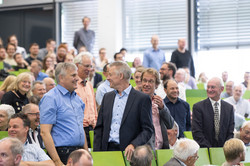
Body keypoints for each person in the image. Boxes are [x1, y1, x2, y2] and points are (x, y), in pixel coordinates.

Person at [94, 61, 154, 161]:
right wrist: (97, 154)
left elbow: (147, 130)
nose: (107, 78)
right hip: (106, 151)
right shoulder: (107, 97)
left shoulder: (142, 99)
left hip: (129, 153)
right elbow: (99, 128)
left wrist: (133, 144)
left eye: (110, 74)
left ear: (121, 76)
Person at [40, 63, 87, 165]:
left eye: (77, 75)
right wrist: (57, 162)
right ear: (61, 78)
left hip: (79, 152)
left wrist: (86, 153)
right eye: (73, 75)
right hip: (62, 154)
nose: (77, 79)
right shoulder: (50, 98)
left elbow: (81, 127)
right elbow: (44, 132)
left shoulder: (77, 99)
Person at [192, 77, 234, 147]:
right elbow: (197, 132)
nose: (209, 90)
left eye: (213, 87)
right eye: (208, 87)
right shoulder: (198, 107)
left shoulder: (229, 108)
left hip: (224, 150)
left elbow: (230, 133)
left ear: (221, 89)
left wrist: (225, 148)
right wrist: (210, 150)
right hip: (204, 149)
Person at [141, 68, 174, 149]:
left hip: (161, 148)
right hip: (143, 150)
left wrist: (162, 108)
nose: (147, 84)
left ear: (157, 84)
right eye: (144, 80)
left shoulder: (159, 101)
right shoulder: (135, 101)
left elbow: (170, 124)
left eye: (151, 81)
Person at [74, 53, 97, 148]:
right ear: (77, 65)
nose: (89, 69)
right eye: (86, 66)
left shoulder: (89, 85)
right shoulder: (72, 85)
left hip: (93, 129)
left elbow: (94, 107)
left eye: (90, 66)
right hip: (79, 129)